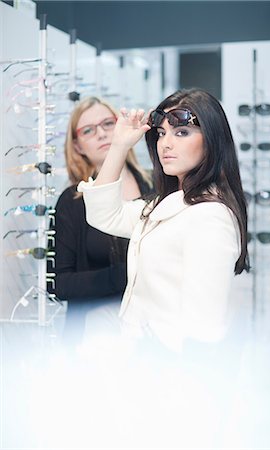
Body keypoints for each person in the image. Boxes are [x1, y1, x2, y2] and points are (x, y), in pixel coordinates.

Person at [78, 88, 249, 352]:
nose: (166, 144)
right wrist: (120, 145)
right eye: (161, 134)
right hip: (143, 361)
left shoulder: (210, 216)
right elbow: (104, 215)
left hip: (169, 369)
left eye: (181, 133)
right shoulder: (166, 204)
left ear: (212, 140)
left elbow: (204, 326)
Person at [48, 96, 152, 346]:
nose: (102, 134)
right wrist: (129, 274)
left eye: (108, 123)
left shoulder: (157, 188)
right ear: (78, 146)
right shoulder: (71, 202)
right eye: (88, 130)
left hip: (151, 335)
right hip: (92, 340)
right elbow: (58, 284)